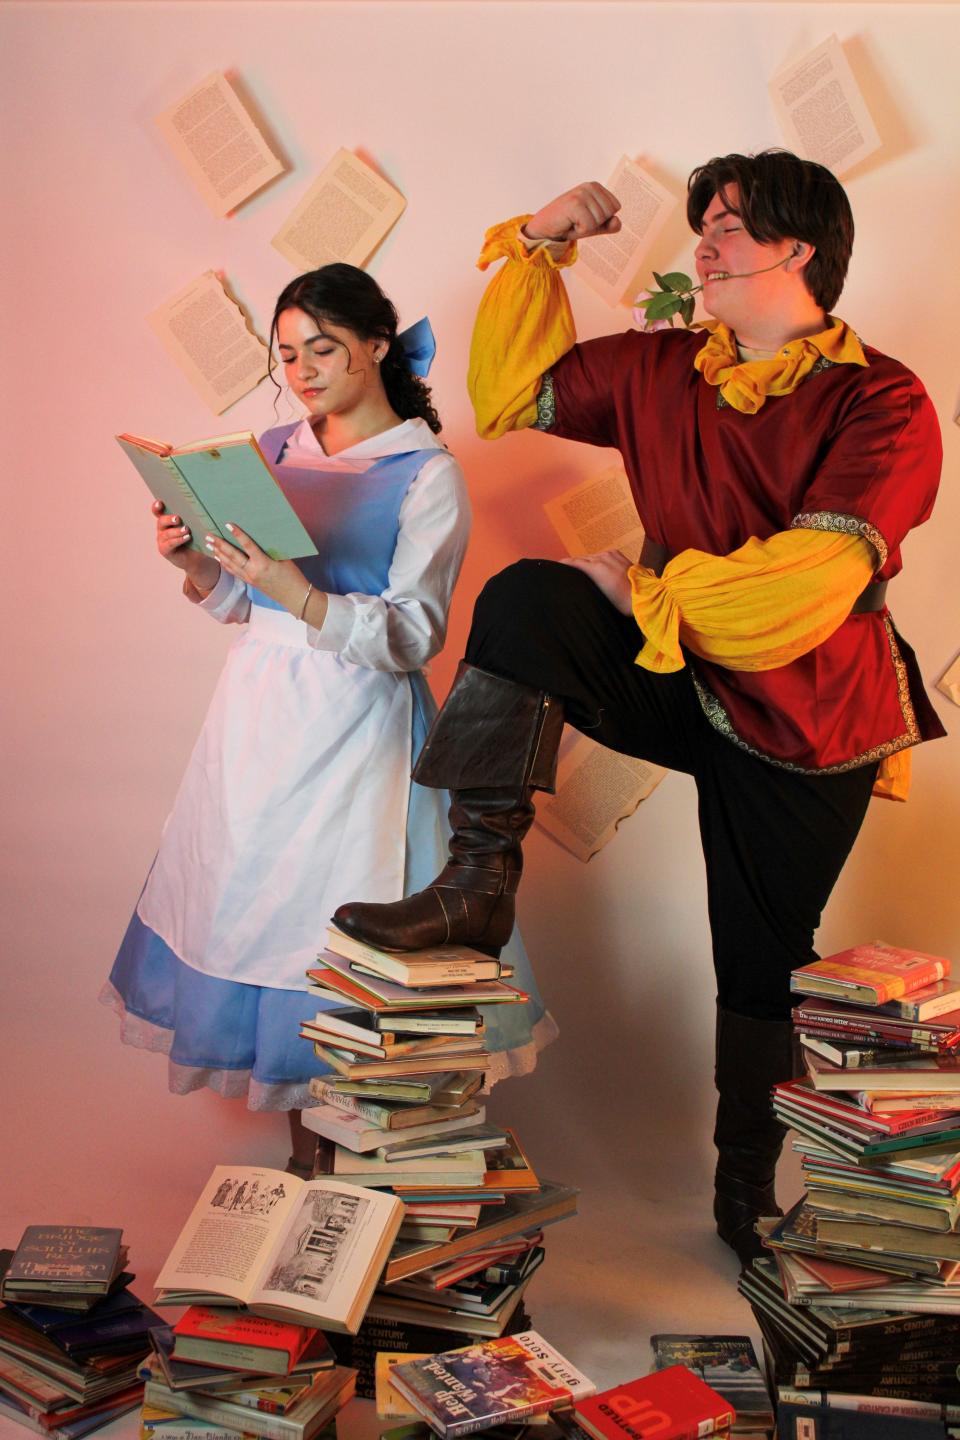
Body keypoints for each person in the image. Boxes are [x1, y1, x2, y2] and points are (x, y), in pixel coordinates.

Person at [332, 153, 945, 1262]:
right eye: (702, 224)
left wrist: (651, 588)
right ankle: (477, 887)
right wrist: (543, 237)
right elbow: (513, 394)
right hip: (680, 676)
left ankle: (745, 1188)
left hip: (811, 723)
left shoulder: (883, 399)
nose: (701, 246)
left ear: (797, 250)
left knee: (759, 959)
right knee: (530, 599)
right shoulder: (667, 369)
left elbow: (811, 584)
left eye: (726, 227)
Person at [102, 264, 556, 1177]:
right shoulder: (265, 451)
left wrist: (297, 593)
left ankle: (361, 1190)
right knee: (252, 921)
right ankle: (313, 1192)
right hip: (254, 724)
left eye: (323, 349)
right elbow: (239, 604)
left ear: (377, 346)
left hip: (355, 732)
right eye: (287, 354)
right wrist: (192, 560)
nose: (302, 372)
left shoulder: (426, 475)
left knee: (338, 943)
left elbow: (413, 636)